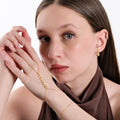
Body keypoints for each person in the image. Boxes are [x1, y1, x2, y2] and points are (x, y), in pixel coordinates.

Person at [0, 0, 120, 119]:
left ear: (100, 41)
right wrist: (5, 71)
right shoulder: (23, 102)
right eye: (45, 38)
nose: (52, 53)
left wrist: (52, 94)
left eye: (69, 35)